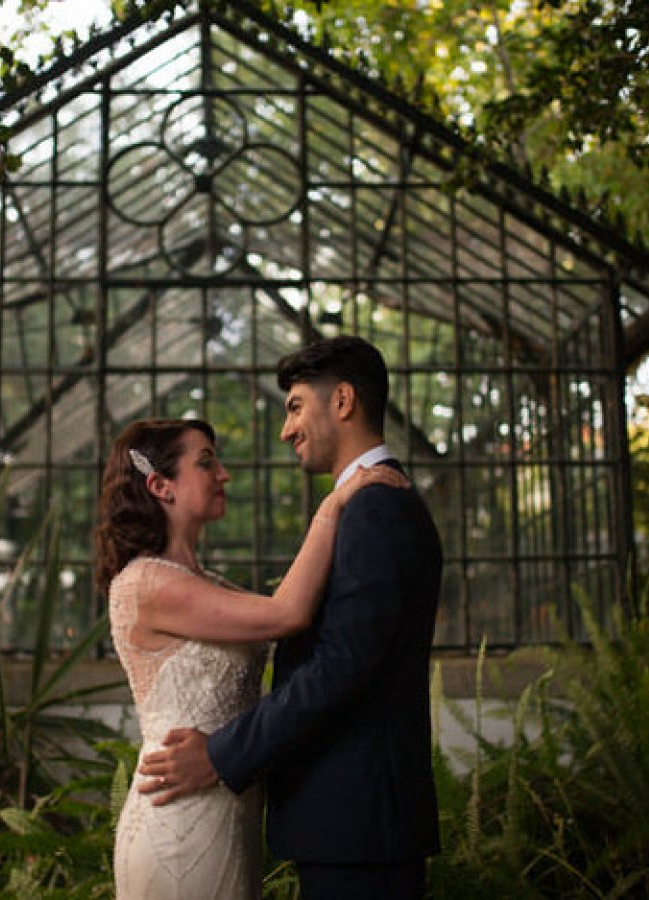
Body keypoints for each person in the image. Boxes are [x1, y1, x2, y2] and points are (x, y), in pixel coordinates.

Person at [138, 336, 444, 900]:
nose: (286, 429)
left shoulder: (376, 507)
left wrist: (222, 754)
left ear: (344, 401)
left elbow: (342, 666)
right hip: (347, 822)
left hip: (361, 825)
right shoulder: (361, 505)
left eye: (296, 405)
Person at [94, 415, 408, 899]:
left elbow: (285, 610)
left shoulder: (207, 584)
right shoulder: (145, 584)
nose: (224, 474)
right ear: (161, 485)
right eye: (206, 462)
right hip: (180, 821)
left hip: (228, 811)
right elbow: (287, 612)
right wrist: (334, 504)